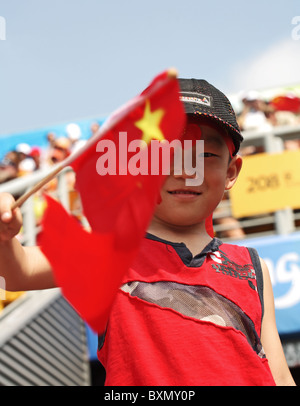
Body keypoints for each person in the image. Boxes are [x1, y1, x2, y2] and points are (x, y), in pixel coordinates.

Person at [0, 79, 296, 386]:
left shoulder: (253, 265)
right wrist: (5, 235)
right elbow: (19, 271)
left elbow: (278, 371)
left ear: (231, 172)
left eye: (204, 156)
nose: (184, 171)